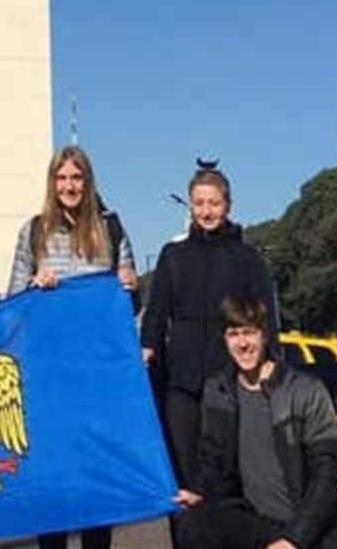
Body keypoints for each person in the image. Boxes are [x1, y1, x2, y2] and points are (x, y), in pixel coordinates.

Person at [7, 145, 137, 549]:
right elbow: (10, 303)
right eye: (62, 178)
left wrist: (131, 287)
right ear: (52, 183)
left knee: (98, 483)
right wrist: (33, 289)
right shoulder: (33, 232)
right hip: (50, 378)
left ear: (88, 181)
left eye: (76, 177)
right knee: (55, 486)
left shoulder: (111, 230)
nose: (69, 186)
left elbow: (129, 309)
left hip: (97, 378)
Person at [141, 164, 275, 546]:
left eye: (214, 203)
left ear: (228, 205)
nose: (207, 211)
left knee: (223, 477)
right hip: (180, 386)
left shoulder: (247, 258)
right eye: (199, 203)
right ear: (191, 207)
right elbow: (156, 313)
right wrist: (146, 351)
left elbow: (267, 318)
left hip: (230, 383)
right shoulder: (173, 255)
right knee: (182, 482)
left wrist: (273, 370)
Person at [173, 294, 337, 549]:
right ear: (224, 339)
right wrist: (199, 492)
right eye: (234, 334)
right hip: (253, 524)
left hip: (305, 529)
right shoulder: (218, 390)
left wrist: (294, 540)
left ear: (265, 335)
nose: (243, 343)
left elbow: (329, 473)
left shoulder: (305, 391)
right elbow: (213, 460)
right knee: (191, 522)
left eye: (250, 332)